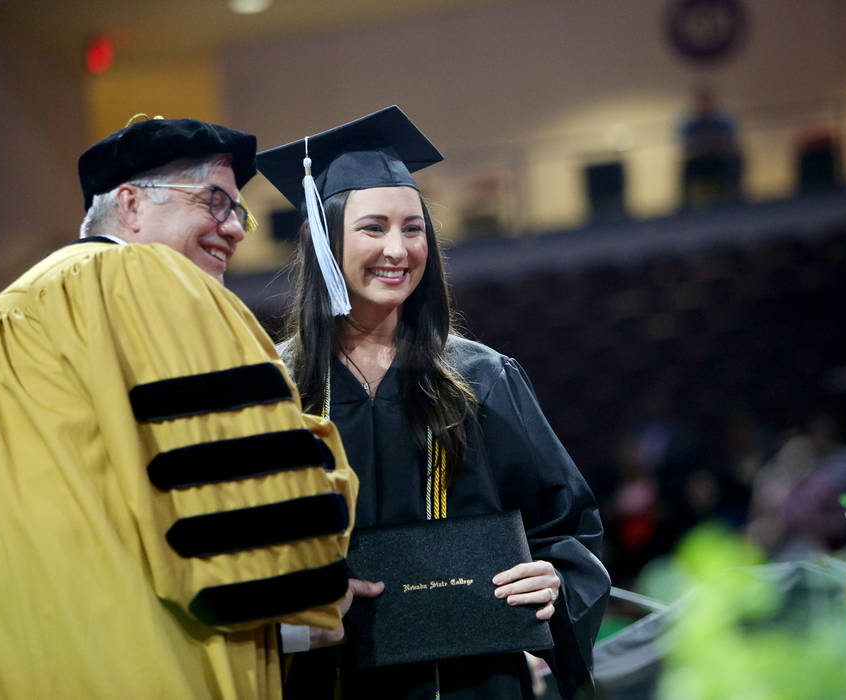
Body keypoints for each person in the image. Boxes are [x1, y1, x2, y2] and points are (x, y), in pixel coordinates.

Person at [0, 117, 359, 699]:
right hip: (147, 663)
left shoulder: (1, 317)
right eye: (215, 202)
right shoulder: (143, 278)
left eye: (240, 212)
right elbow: (237, 479)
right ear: (131, 205)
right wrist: (303, 601)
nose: (234, 230)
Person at [255, 106, 610, 699]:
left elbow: (566, 525)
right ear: (325, 239)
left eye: (413, 228)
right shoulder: (272, 387)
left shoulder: (480, 377)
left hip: (474, 682)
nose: (398, 249)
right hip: (325, 677)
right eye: (373, 228)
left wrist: (554, 581)